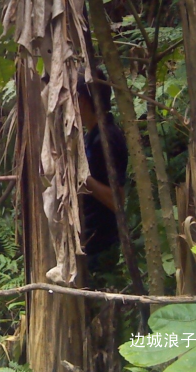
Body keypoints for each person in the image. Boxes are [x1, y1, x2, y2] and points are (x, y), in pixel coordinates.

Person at [77, 69, 128, 282]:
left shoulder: (106, 139)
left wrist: (81, 177)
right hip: (89, 240)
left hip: (101, 244)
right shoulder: (92, 137)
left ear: (83, 100)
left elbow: (117, 200)